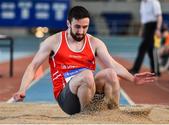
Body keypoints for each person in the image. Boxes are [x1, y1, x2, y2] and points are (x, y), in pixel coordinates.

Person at [13, 6, 155, 115]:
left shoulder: (94, 43)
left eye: (85, 27)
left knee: (110, 73)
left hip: (88, 92)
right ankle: (86, 117)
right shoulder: (53, 42)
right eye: (77, 27)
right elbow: (33, 66)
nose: (81, 31)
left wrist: (133, 79)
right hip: (66, 98)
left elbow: (113, 64)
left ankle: (114, 114)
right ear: (68, 23)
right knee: (87, 75)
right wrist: (22, 89)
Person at [129, 0, 162, 75]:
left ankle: (135, 69)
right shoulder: (142, 3)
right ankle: (156, 71)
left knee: (143, 48)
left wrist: (158, 29)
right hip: (147, 27)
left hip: (153, 26)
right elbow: (144, 19)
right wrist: (142, 29)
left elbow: (159, 16)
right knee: (150, 50)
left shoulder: (154, 2)